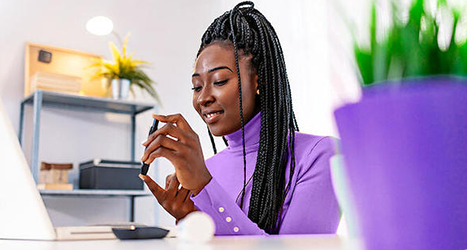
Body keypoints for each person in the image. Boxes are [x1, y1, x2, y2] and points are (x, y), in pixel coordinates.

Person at [139, 1, 340, 235]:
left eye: (219, 81)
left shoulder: (320, 155)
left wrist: (205, 185)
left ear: (260, 80)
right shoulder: (208, 169)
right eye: (196, 87)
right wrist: (189, 216)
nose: (203, 98)